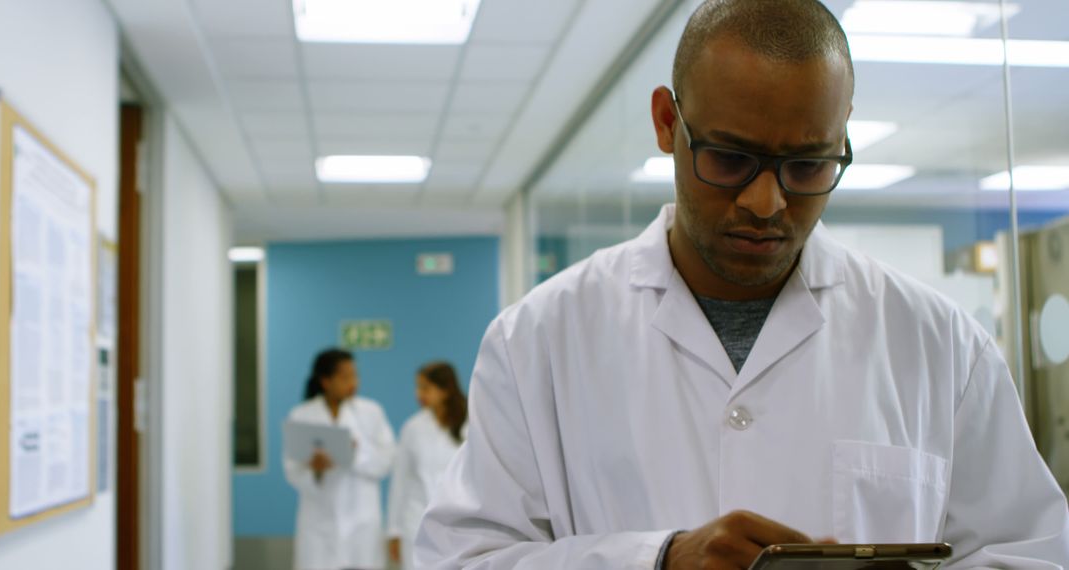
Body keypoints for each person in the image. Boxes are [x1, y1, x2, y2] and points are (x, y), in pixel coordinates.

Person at [415, 1, 1069, 568]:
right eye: (729, 158)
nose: (766, 201)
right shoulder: (539, 340)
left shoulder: (943, 345)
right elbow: (462, 559)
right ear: (667, 123)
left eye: (809, 165)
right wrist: (657, 561)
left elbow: (1029, 553)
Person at [284, 348, 396, 570]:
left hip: (362, 520)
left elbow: (387, 460)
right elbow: (292, 470)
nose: (353, 382)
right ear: (326, 381)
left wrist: (354, 455)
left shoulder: (371, 412)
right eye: (345, 377)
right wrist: (316, 470)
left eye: (355, 375)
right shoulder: (302, 415)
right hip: (319, 524)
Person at [387, 362, 469, 570]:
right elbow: (400, 481)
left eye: (425, 387)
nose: (419, 393)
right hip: (416, 522)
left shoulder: (472, 422)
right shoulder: (412, 427)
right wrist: (394, 530)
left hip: (461, 525)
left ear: (445, 389)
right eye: (418, 387)